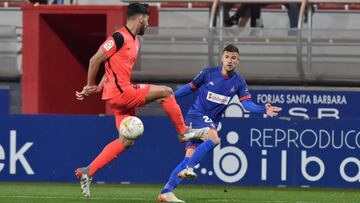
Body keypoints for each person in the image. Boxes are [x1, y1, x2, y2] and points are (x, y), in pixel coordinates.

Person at [74, 3, 209, 197]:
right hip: (122, 94)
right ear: (140, 18)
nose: (148, 23)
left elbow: (110, 66)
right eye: (148, 19)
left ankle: (88, 171)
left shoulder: (135, 41)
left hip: (117, 98)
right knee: (166, 92)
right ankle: (183, 132)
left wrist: (99, 87)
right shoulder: (118, 37)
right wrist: (89, 85)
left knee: (126, 141)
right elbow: (95, 60)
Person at [157, 44, 281, 202]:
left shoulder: (239, 82)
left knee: (188, 156)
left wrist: (263, 109)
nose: (230, 60)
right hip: (197, 115)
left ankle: (167, 191)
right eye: (227, 57)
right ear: (222, 58)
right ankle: (189, 162)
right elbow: (190, 87)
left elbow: (246, 104)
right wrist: (171, 97)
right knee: (215, 139)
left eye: (233, 58)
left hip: (209, 123)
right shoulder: (208, 73)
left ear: (238, 61)